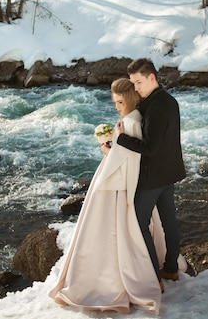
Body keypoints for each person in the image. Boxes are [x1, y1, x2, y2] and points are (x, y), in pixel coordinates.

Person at [49, 78, 167, 314]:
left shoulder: (132, 121)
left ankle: (113, 281)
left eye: (120, 101)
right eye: (115, 102)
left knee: (108, 230)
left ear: (131, 99)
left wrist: (106, 149)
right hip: (119, 179)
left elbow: (129, 160)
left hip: (117, 184)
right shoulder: (133, 118)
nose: (117, 106)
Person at [115, 58, 186, 284]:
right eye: (133, 84)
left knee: (139, 223)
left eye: (138, 83)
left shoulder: (155, 106)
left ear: (151, 77)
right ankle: (171, 268)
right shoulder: (169, 100)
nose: (135, 88)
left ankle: (153, 276)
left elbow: (150, 148)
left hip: (153, 178)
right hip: (170, 173)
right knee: (169, 222)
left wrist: (120, 138)